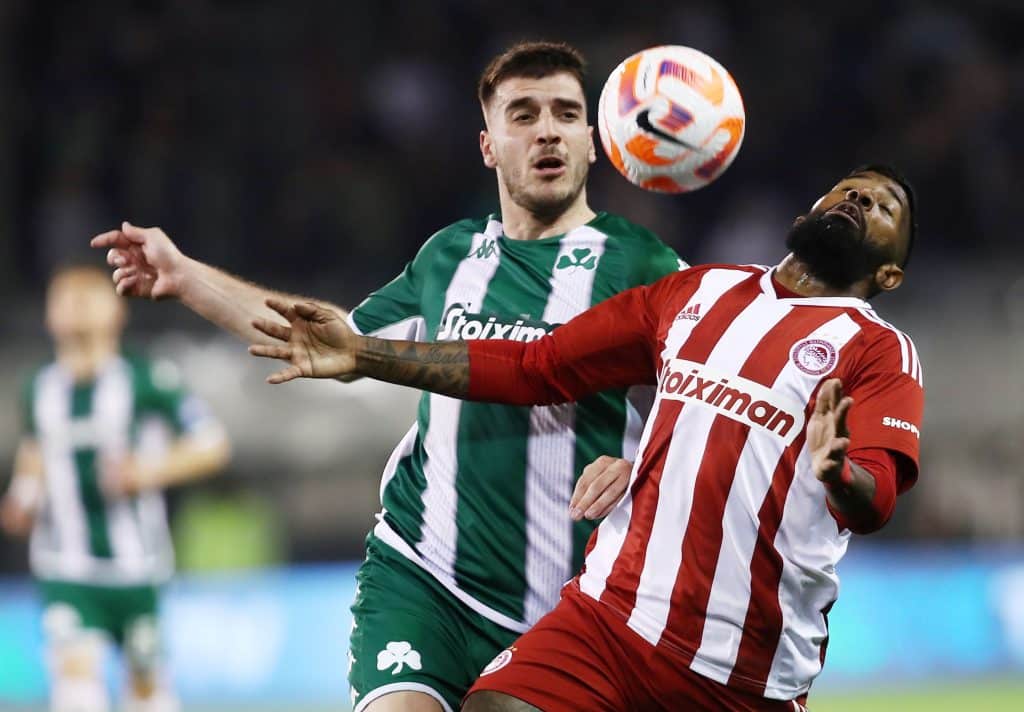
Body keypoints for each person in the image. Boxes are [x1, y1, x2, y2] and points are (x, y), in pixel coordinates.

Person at [91, 41, 686, 712]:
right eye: (523, 114)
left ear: (592, 142)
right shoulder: (449, 257)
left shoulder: (643, 265)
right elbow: (332, 340)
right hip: (423, 577)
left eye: (566, 113)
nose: (547, 130)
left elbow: (708, 406)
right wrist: (185, 277)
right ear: (489, 146)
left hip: (567, 607)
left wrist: (643, 466)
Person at [246, 164, 924, 711]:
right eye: (848, 188)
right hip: (610, 620)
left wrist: (839, 473)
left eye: (883, 207)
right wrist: (364, 353)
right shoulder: (699, 291)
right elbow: (536, 366)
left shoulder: (879, 351)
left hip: (741, 667)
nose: (859, 198)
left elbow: (878, 499)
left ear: (890, 273)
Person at [0, 265, 231, 712]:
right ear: (49, 315)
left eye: (89, 296)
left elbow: (212, 444)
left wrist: (146, 471)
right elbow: (35, 450)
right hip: (65, 566)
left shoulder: (148, 380)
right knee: (74, 677)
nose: (77, 305)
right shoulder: (38, 389)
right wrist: (22, 497)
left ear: (117, 312)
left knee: (146, 687)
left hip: (138, 567)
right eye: (65, 297)